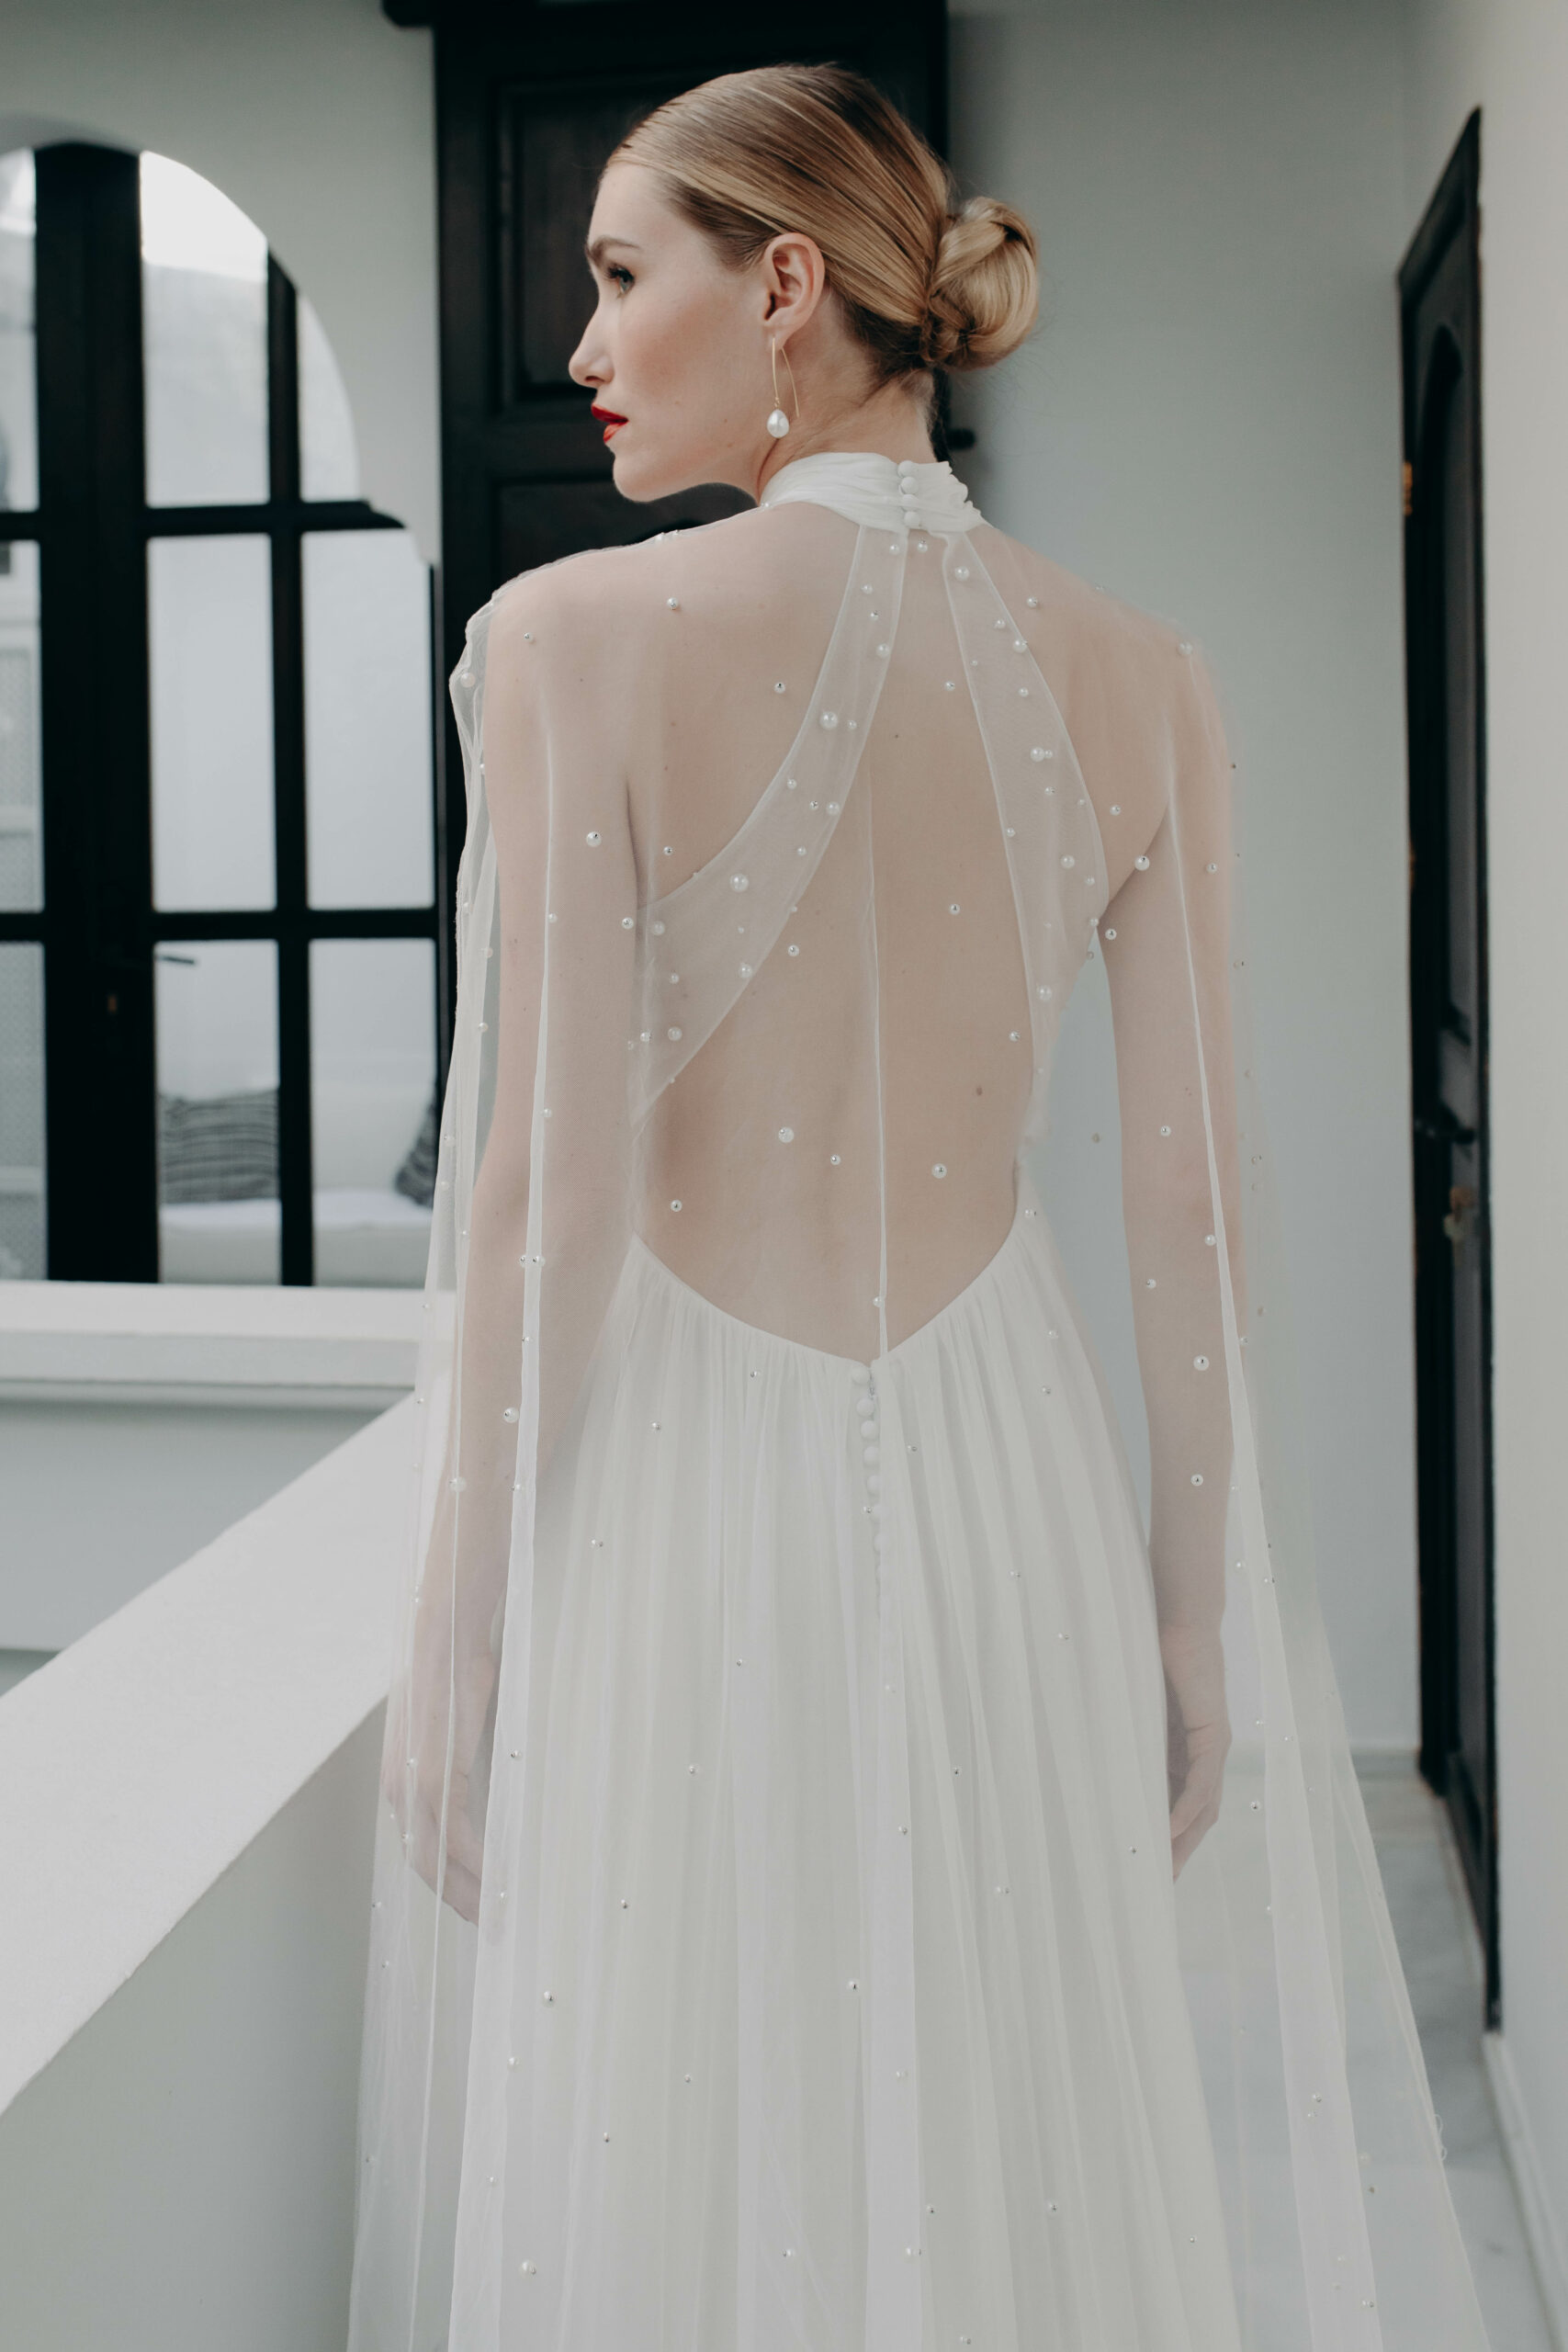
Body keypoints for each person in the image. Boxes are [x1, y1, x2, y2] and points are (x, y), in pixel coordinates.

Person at [348, 63, 1491, 2351]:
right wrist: (1191, 1616)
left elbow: (549, 1191)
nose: (581, 342)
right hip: (1005, 1486)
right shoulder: (1144, 677)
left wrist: (454, 1629)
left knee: (686, 2141)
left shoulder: (573, 639)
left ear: (781, 284)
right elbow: (1183, 1199)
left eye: (618, 275)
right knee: (997, 2138)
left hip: (685, 1486)